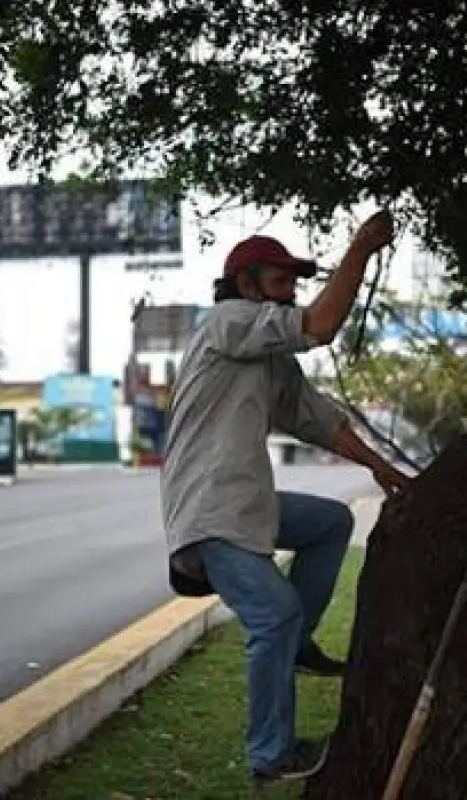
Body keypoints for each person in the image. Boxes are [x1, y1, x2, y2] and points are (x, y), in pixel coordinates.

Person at [159, 209, 411, 789]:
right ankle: (270, 755)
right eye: (280, 282)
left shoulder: (267, 356)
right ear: (247, 287)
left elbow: (320, 421)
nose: (290, 294)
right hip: (211, 510)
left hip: (242, 504)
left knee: (329, 521)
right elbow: (320, 325)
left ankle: (296, 647)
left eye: (293, 284)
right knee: (273, 614)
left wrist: (383, 469)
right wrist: (360, 250)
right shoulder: (228, 322)